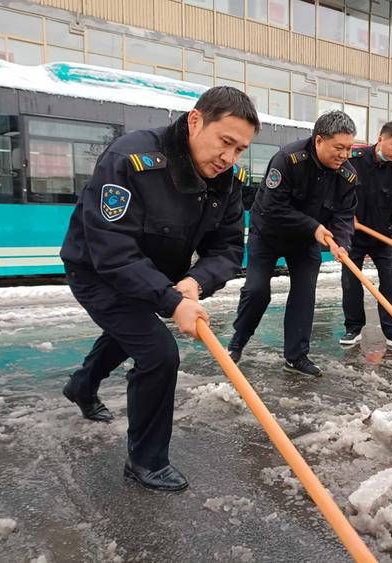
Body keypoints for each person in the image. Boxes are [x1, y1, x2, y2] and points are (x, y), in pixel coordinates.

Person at [59, 86, 259, 492]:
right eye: (225, 142)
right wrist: (170, 301)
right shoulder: (130, 160)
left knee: (130, 332)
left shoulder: (225, 180)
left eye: (240, 150)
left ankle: (82, 385)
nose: (229, 157)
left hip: (151, 274)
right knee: (158, 352)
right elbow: (112, 251)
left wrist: (194, 282)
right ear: (195, 120)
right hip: (96, 270)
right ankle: (146, 461)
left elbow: (228, 248)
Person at [227, 111, 358, 377]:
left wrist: (341, 242)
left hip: (305, 242)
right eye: (339, 148)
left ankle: (296, 356)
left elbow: (344, 214)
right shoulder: (288, 160)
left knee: (304, 295)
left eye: (349, 148)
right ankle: (237, 343)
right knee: (256, 291)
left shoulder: (347, 175)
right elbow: (274, 207)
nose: (344, 155)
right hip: (269, 235)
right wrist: (315, 227)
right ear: (319, 140)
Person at [339, 121, 392, 351]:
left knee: (389, 282)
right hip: (354, 233)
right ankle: (353, 327)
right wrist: (345, 217)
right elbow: (338, 191)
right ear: (380, 138)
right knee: (351, 281)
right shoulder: (354, 160)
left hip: (383, 236)